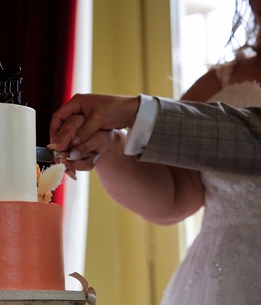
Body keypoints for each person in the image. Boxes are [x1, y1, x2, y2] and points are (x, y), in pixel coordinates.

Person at [49, 0, 261, 304]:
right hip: (218, 284)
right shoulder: (219, 82)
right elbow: (176, 196)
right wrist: (108, 147)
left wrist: (136, 111)